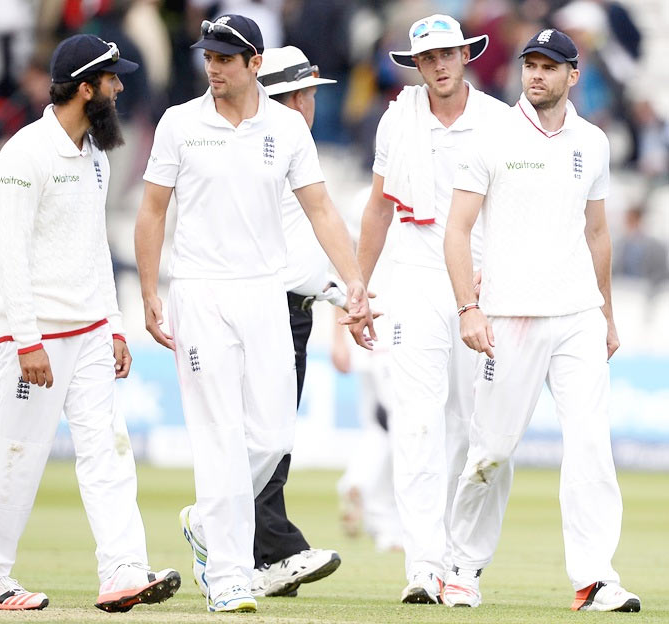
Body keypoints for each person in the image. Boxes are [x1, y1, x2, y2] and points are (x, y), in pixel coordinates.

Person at [134, 16, 373, 614]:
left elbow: (320, 210)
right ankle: (232, 574)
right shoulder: (180, 123)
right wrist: (148, 292)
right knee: (219, 433)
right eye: (208, 56)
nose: (213, 67)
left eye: (226, 57)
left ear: (254, 63)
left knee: (272, 435)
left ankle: (210, 526)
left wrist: (356, 285)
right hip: (200, 291)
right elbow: (152, 212)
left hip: (264, 293)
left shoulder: (288, 126)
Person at [443, 29, 641, 612]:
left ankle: (594, 576)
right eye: (530, 65)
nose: (536, 75)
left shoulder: (594, 143)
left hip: (578, 314)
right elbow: (456, 231)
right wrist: (467, 307)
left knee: (590, 446)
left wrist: (606, 315)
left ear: (572, 75)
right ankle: (463, 564)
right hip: (509, 317)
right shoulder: (493, 136)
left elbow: (598, 233)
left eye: (549, 67)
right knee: (493, 451)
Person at [0, 34, 181, 613]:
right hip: (34, 339)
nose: (121, 88)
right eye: (112, 80)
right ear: (85, 88)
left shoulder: (96, 156)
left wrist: (114, 325)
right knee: (17, 456)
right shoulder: (25, 154)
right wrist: (27, 340)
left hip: (89, 336)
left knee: (108, 451)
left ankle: (123, 572)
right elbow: (8, 254)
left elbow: (92, 249)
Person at [349, 14, 513, 604]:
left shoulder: (498, 120)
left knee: (479, 430)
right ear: (415, 65)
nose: (439, 66)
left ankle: (462, 563)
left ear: (465, 56)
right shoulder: (399, 117)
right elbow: (376, 209)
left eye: (447, 54)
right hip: (416, 276)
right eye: (427, 58)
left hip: (482, 281)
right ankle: (423, 563)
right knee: (416, 421)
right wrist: (359, 286)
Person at [178, 44, 345, 601]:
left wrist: (344, 292)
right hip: (259, 303)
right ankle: (260, 552)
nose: (310, 105)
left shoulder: (290, 146)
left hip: (288, 307)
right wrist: (341, 291)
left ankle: (225, 531)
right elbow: (296, 244)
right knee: (249, 435)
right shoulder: (267, 148)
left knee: (271, 439)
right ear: (290, 95)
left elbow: (318, 228)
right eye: (304, 95)